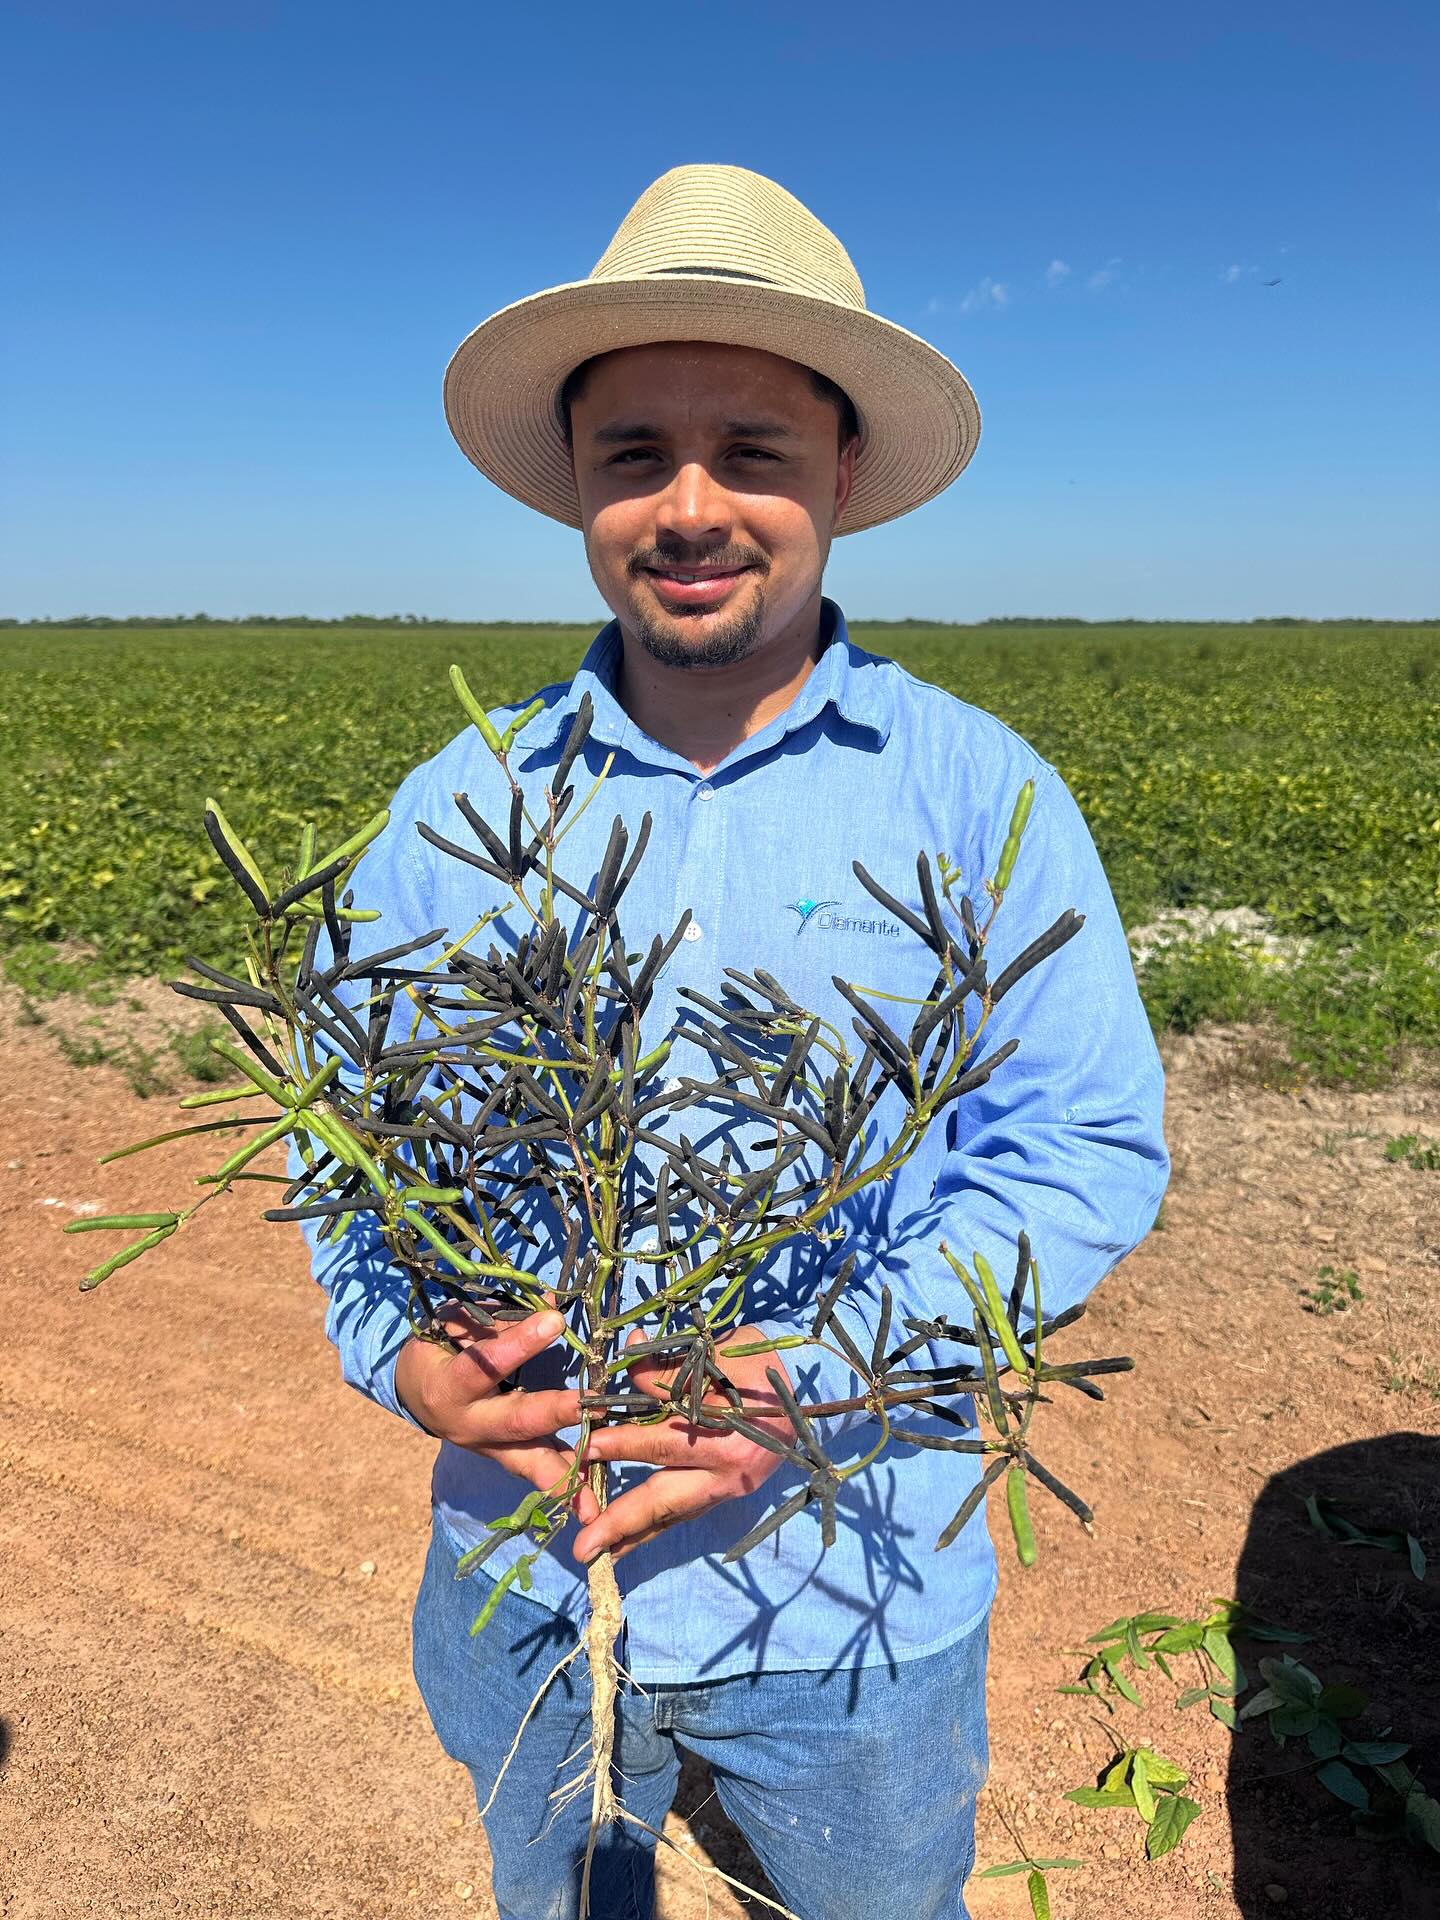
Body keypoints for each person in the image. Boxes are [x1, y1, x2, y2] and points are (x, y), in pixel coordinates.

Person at [303, 164, 1170, 1920]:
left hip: (850, 1609)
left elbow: (1082, 1145)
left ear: (842, 474)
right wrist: (401, 1350)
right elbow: (349, 1135)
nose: (691, 507)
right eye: (636, 454)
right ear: (577, 487)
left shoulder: (976, 795)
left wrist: (820, 1364)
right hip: (523, 1580)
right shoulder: (456, 804)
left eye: (753, 450)